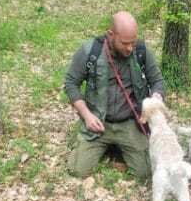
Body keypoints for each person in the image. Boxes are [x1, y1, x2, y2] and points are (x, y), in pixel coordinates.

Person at [64, 11, 166, 180]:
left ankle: (118, 146)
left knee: (145, 173)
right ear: (110, 34)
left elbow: (158, 81)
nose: (130, 48)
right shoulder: (90, 52)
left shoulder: (141, 52)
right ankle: (105, 146)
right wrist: (87, 116)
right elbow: (71, 83)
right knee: (77, 170)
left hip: (129, 122)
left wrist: (157, 95)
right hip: (98, 122)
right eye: (125, 43)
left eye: (133, 42)